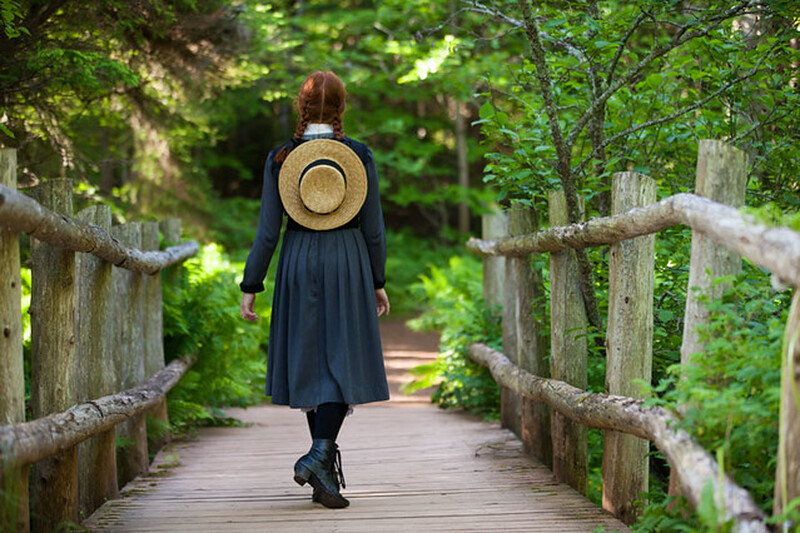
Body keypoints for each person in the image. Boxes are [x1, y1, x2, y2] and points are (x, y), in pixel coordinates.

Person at [239, 71, 390, 509]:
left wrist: (252, 283)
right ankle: (320, 457)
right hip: (347, 259)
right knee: (342, 357)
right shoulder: (358, 156)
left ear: (300, 108)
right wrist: (377, 280)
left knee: (309, 360)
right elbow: (375, 230)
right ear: (342, 108)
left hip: (298, 260)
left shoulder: (282, 157)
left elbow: (268, 231)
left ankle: (321, 466)